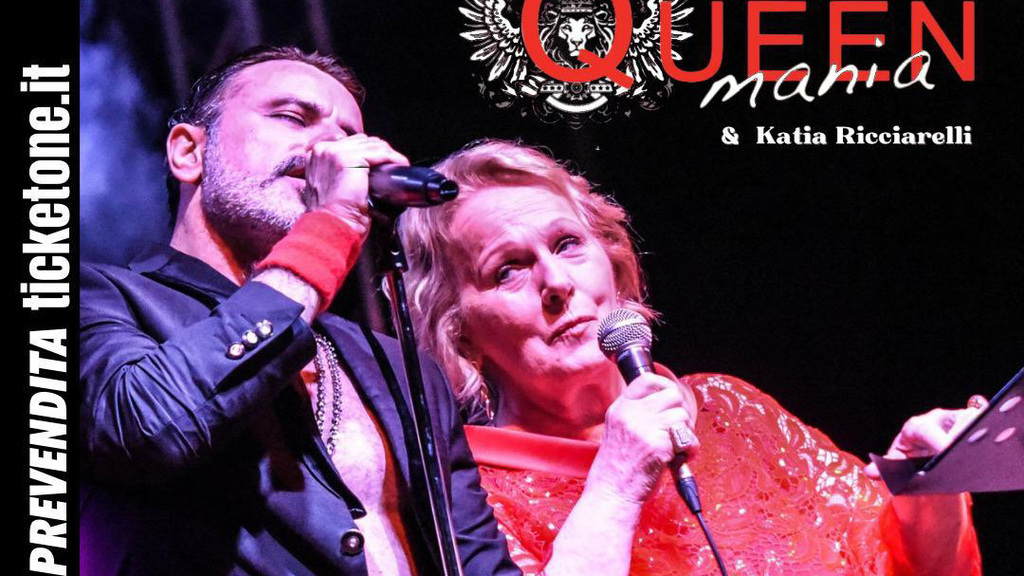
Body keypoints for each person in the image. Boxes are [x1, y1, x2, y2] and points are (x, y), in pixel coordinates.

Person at [398, 139, 984, 576]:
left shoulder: (729, 408)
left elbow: (903, 565)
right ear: (458, 328)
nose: (556, 282)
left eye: (568, 244)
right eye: (507, 270)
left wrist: (925, 482)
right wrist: (615, 483)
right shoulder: (470, 497)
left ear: (613, 260)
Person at [79, 46, 521, 576]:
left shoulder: (399, 368)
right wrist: (330, 226)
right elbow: (143, 430)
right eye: (292, 117)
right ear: (188, 153)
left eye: (349, 137)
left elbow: (479, 563)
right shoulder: (94, 300)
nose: (330, 150)